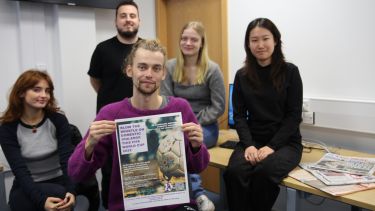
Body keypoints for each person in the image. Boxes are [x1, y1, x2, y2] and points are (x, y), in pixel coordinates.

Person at [68, 39, 210, 211]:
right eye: (142, 67)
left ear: (163, 73)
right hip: (130, 206)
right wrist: (89, 144)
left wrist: (196, 147)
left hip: (174, 204)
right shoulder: (111, 114)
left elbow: (199, 167)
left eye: (156, 68)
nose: (149, 74)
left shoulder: (180, 108)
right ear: (129, 70)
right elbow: (76, 173)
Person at [223, 18, 303, 211]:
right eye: (254, 40)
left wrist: (272, 147)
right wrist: (249, 144)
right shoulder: (242, 75)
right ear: (248, 45)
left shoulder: (290, 72)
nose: (260, 45)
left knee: (263, 172)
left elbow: (294, 116)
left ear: (275, 40)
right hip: (253, 139)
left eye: (265, 38)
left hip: (285, 143)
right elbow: (240, 116)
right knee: (233, 172)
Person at [161, 21, 225, 211]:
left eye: (193, 39)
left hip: (205, 125)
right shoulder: (170, 67)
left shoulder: (212, 69)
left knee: (186, 142)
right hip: (176, 125)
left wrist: (193, 122)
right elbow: (165, 100)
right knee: (174, 142)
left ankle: (196, 195)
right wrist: (180, 124)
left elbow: (219, 106)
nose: (188, 42)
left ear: (201, 43)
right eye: (184, 38)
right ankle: (177, 195)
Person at [87, 0, 142, 208]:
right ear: (116, 21)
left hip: (139, 120)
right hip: (110, 122)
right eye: (123, 16)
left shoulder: (146, 48)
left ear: (139, 20)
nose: (128, 20)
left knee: (140, 168)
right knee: (110, 169)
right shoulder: (102, 49)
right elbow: (95, 80)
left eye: (132, 15)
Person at [0, 70, 76, 211]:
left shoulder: (58, 120)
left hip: (59, 182)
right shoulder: (7, 128)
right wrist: (42, 201)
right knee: (22, 203)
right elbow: (20, 171)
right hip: (27, 185)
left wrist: (71, 191)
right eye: (37, 90)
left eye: (47, 91)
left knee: (60, 196)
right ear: (21, 93)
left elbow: (68, 161)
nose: (43, 95)